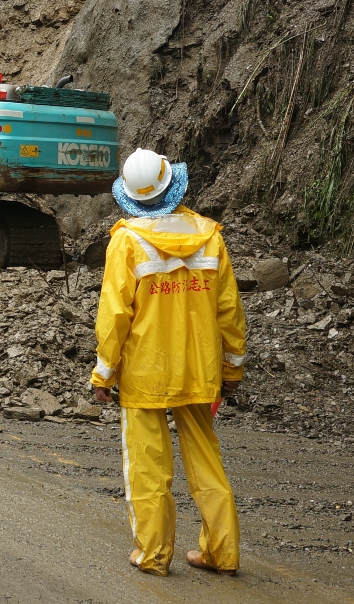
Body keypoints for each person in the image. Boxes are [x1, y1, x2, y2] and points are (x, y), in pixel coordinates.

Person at [90, 148, 247, 576]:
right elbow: (230, 312)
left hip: (146, 370)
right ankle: (222, 552)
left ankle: (154, 554)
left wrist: (104, 371)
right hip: (199, 368)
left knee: (147, 464)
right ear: (171, 186)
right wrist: (232, 368)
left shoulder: (126, 240)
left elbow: (115, 315)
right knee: (205, 458)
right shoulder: (210, 236)